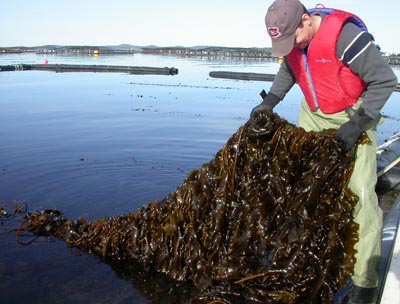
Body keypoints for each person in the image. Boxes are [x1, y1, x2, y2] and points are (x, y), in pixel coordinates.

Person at [251, 0, 397, 303]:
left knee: (360, 199)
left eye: (292, 39)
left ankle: (364, 285)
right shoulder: (294, 40)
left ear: (306, 20)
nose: (290, 46)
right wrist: (270, 102)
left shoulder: (345, 36)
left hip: (354, 116)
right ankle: (309, 266)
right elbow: (291, 70)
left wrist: (357, 124)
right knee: (306, 190)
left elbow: (384, 80)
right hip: (314, 116)